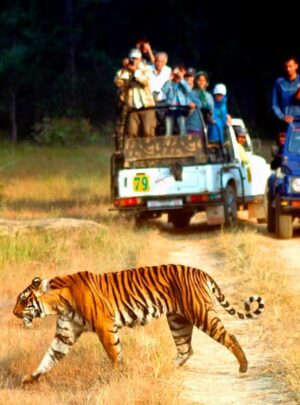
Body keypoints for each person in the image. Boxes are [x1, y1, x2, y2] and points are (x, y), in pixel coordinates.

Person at [114, 48, 156, 138]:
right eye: (131, 58)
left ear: (140, 59)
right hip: (132, 107)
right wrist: (125, 68)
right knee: (131, 133)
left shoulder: (146, 69)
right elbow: (118, 82)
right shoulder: (125, 70)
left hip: (147, 107)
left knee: (147, 132)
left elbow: (145, 81)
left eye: (135, 58)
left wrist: (135, 71)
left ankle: (149, 151)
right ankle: (134, 152)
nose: (133, 60)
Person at [161, 66, 194, 136]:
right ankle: (167, 145)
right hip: (170, 109)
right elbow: (164, 91)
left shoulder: (183, 84)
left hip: (180, 109)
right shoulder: (169, 83)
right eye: (175, 74)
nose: (176, 76)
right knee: (168, 131)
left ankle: (183, 144)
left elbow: (189, 90)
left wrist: (182, 79)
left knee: (182, 130)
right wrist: (169, 79)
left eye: (177, 74)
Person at [272, 56, 300, 132]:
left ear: (296, 66)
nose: (288, 69)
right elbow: (275, 104)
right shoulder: (280, 82)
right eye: (286, 67)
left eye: (290, 66)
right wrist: (282, 116)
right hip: (286, 123)